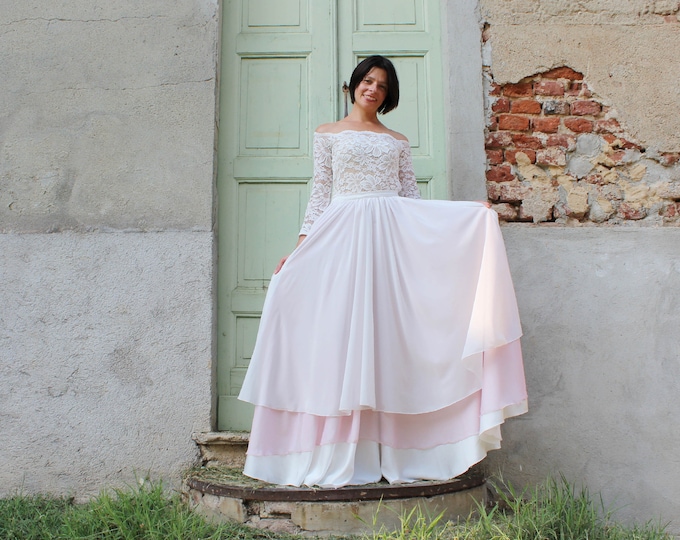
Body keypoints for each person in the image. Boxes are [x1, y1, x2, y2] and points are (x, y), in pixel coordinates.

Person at [238, 55, 527, 488]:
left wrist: (470, 215)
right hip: (340, 236)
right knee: (338, 336)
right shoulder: (328, 133)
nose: (373, 89)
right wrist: (299, 249)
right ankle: (334, 452)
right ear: (353, 85)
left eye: (382, 86)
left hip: (389, 241)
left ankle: (396, 450)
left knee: (388, 340)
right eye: (367, 81)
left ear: (388, 96)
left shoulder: (396, 140)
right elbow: (320, 194)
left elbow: (410, 200)